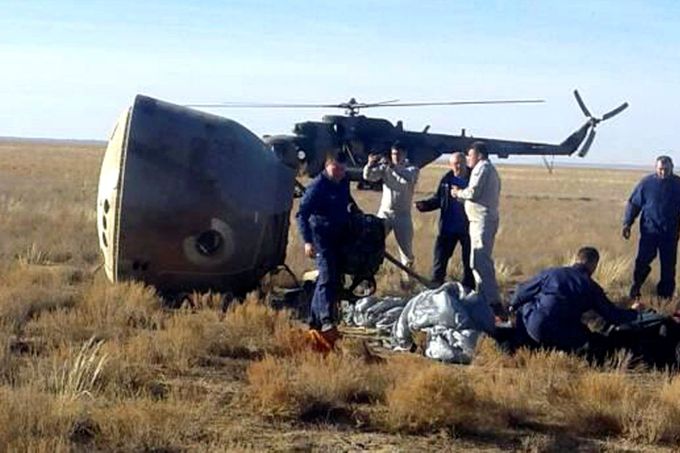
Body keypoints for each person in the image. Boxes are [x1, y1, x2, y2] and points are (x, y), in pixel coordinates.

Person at [507, 247, 639, 354]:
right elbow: (612, 315)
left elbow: (521, 292)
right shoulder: (591, 287)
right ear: (594, 265)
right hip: (561, 333)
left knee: (526, 305)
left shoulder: (552, 273)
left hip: (534, 327)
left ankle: (520, 343)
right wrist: (633, 312)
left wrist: (511, 307)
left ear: (576, 259)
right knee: (587, 338)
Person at [296, 153, 355, 347]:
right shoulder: (317, 187)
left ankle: (313, 322)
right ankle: (327, 320)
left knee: (328, 277)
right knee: (328, 276)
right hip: (321, 237)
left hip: (339, 236)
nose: (339, 173)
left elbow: (348, 202)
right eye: (335, 169)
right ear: (327, 166)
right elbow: (301, 214)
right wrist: (307, 241)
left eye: (342, 169)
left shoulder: (343, 181)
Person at [451, 141, 502, 312]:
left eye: (470, 155)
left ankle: (492, 302)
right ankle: (484, 298)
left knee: (481, 261)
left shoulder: (482, 168)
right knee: (477, 261)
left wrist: (458, 193)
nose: (468, 159)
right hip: (480, 220)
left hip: (482, 220)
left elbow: (474, 192)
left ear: (479, 155)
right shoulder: (489, 169)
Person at [623, 155, 680, 300]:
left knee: (668, 268)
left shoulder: (678, 184)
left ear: (672, 168)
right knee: (642, 261)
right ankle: (636, 288)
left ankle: (664, 298)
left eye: (666, 169)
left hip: (670, 234)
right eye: (661, 169)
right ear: (656, 168)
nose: (663, 172)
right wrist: (627, 223)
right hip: (650, 232)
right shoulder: (646, 184)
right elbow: (634, 204)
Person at [415, 152, 475, 289]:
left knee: (469, 262)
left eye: (460, 163)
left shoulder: (474, 179)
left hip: (468, 228)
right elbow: (439, 199)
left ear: (466, 163)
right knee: (440, 260)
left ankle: (469, 290)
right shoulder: (446, 179)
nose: (458, 167)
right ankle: (435, 287)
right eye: (455, 164)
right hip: (448, 227)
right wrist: (425, 205)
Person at [363, 142, 419, 283]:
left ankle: (407, 282)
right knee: (373, 245)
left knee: (406, 253)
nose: (396, 157)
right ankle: (366, 278)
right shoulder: (385, 168)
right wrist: (370, 164)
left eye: (399, 154)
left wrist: (393, 166)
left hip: (403, 216)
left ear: (405, 154)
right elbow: (368, 177)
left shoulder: (412, 169)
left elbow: (407, 177)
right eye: (394, 154)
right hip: (385, 214)